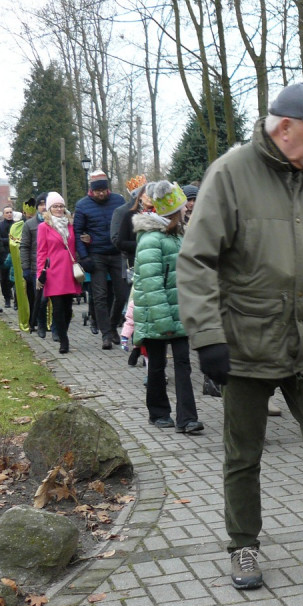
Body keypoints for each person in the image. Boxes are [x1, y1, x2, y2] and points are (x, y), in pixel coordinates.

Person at [177, 82, 303, 597]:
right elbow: (196, 261)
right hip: (244, 344)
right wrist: (207, 337)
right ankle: (243, 544)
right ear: (284, 127)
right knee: (243, 454)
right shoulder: (229, 174)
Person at [132, 181, 203, 435]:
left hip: (179, 312)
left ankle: (187, 418)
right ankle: (159, 412)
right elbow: (151, 285)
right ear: (173, 210)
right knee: (158, 364)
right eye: (183, 208)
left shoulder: (179, 235)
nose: (186, 211)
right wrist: (164, 322)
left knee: (183, 363)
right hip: (157, 315)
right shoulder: (151, 239)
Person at [74, 169, 127, 349]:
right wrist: (84, 257)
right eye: (97, 191)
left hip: (117, 252)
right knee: (99, 296)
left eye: (103, 190)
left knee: (122, 294)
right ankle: (105, 334)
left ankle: (112, 326)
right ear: (92, 190)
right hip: (96, 255)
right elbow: (77, 232)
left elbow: (126, 222)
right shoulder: (82, 205)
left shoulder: (118, 201)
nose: (101, 193)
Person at [35, 192, 82, 354]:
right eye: (55, 206)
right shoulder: (43, 227)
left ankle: (64, 332)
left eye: (61, 206)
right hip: (53, 272)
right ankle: (63, 340)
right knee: (58, 308)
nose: (59, 209)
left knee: (68, 309)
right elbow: (41, 252)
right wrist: (40, 273)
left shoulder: (70, 225)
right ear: (49, 208)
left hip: (69, 271)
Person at [20, 193, 48, 336]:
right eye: (41, 204)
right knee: (41, 299)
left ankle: (56, 327)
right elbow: (24, 246)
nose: (43, 207)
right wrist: (25, 267)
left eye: (46, 204)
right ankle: (41, 324)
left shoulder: (56, 223)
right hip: (36, 268)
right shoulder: (29, 225)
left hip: (54, 267)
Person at [0, 204, 16, 309]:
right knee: (4, 279)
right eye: (7, 213)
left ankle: (16, 301)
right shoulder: (0, 226)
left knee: (15, 279)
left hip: (15, 255)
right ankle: (7, 299)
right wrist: (10, 240)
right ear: (3, 215)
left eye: (10, 212)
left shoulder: (16, 225)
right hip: (4, 255)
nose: (9, 214)